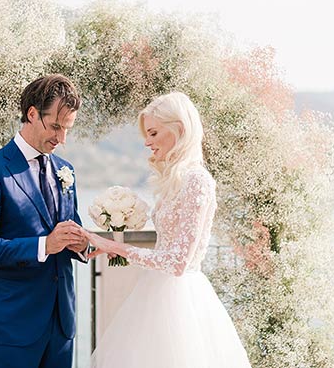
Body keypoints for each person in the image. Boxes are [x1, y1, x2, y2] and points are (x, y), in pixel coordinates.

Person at [84, 92, 252, 367]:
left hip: (182, 305)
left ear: (179, 130)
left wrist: (114, 247)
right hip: (154, 293)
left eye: (153, 133)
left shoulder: (197, 181)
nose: (147, 142)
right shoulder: (175, 181)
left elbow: (177, 262)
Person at [0, 74, 89, 368]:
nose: (62, 138)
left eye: (67, 128)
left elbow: (72, 229)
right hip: (13, 326)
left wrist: (82, 244)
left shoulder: (65, 169)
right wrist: (44, 245)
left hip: (61, 325)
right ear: (32, 114)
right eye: (56, 126)